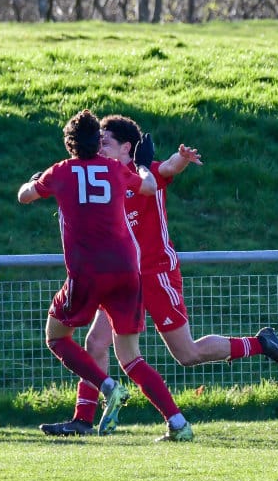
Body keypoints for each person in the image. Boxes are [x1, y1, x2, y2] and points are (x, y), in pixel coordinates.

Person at [39, 114, 278, 438]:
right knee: (95, 342)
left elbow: (169, 168)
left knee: (187, 354)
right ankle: (83, 419)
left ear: (127, 147)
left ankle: (259, 344)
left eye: (106, 142)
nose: (99, 147)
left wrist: (182, 158)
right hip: (123, 278)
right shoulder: (104, 175)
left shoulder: (144, 171)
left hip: (156, 273)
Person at [18, 109, 196, 442]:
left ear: (70, 144)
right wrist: (143, 164)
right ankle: (178, 423)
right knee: (129, 356)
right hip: (127, 272)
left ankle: (107, 386)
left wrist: (33, 180)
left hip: (86, 273)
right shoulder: (115, 169)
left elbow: (24, 196)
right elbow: (148, 185)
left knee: (56, 337)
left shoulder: (61, 171)